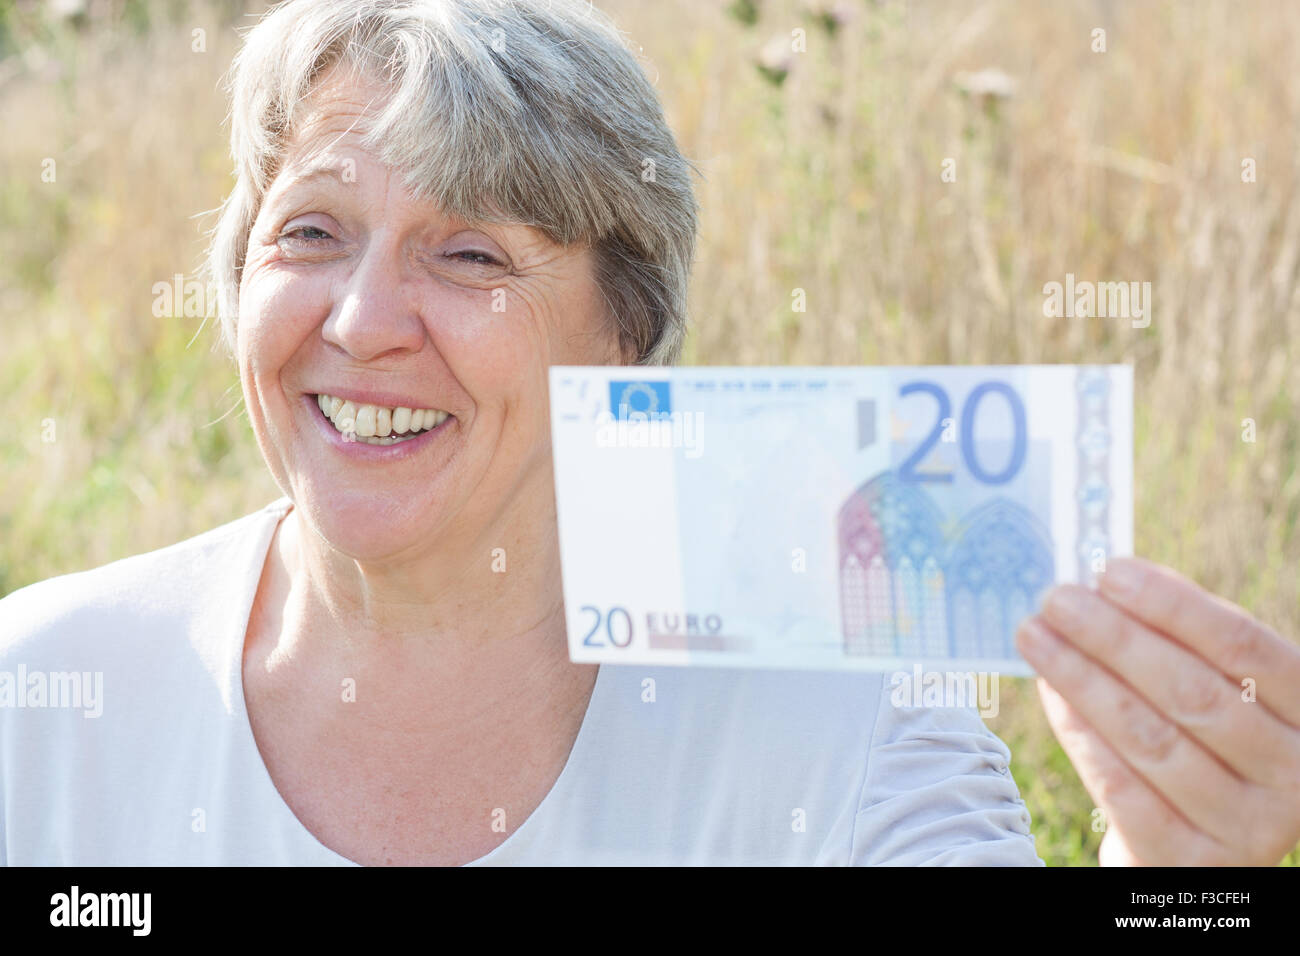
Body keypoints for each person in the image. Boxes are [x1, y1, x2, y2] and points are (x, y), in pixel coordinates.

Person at [2, 0, 1296, 866]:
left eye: (470, 252)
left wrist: (1180, 888)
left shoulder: (854, 737)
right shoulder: (42, 699)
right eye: (310, 232)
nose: (364, 318)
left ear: (623, 342)